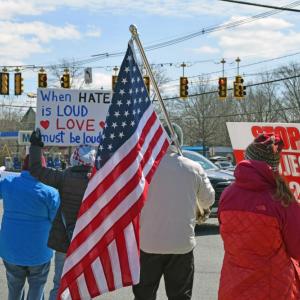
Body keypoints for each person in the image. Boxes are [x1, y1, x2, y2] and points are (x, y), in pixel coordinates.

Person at [132, 123, 215, 300]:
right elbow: (209, 200)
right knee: (180, 296)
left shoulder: (142, 168)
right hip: (181, 242)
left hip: (148, 242)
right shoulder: (194, 167)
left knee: (143, 295)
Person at [218, 133, 300, 300]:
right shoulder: (282, 199)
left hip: (232, 287)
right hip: (274, 289)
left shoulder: (227, 195)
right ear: (275, 165)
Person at [29, 129, 96, 300]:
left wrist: (36, 145)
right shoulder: (99, 181)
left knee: (59, 284)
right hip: (88, 241)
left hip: (64, 240)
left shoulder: (63, 177)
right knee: (83, 286)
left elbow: (36, 169)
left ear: (74, 158)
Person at [0, 154, 60, 300]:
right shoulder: (51, 192)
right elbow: (56, 221)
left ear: (23, 166)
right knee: (37, 287)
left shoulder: (7, 183)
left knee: (14, 287)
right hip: (39, 252)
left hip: (11, 250)